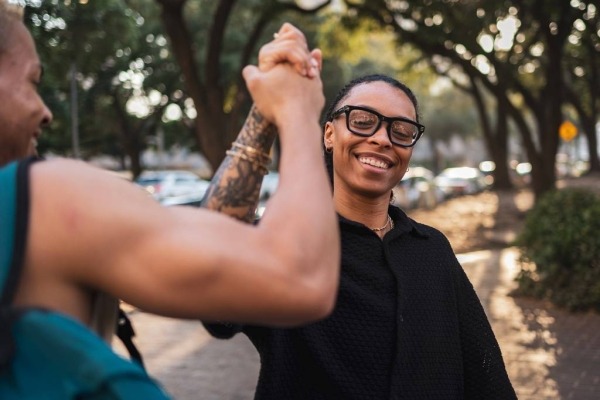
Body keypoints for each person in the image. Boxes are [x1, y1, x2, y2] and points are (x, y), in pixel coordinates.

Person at [0, 0, 340, 396]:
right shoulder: (42, 199)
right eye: (33, 81)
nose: (46, 112)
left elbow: (215, 241)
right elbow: (299, 278)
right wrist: (297, 107)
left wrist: (263, 115)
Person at [203, 73, 517, 399]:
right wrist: (266, 111)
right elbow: (210, 270)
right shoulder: (287, 245)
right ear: (329, 134)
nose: (383, 138)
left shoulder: (432, 249)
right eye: (363, 121)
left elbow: (486, 379)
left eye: (402, 131)